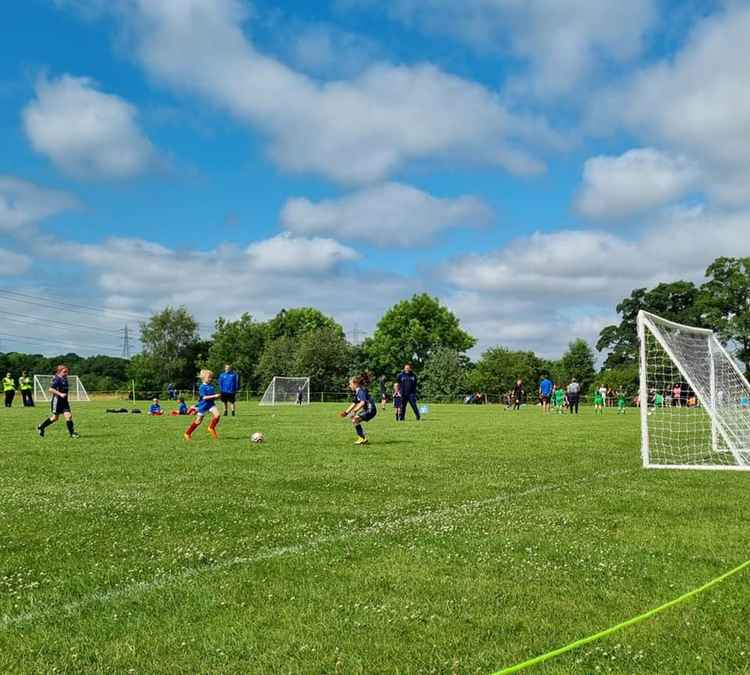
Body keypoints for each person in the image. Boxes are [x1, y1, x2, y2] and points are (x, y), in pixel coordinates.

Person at [36, 365, 79, 438]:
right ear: (59, 372)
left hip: (64, 402)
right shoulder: (57, 379)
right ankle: (41, 427)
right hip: (57, 402)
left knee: (69, 416)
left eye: (67, 372)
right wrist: (60, 394)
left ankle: (72, 434)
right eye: (64, 372)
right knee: (55, 418)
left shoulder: (65, 379)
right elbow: (50, 389)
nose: (66, 373)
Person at [339, 373, 377, 445]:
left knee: (355, 419)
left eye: (350, 384)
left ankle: (362, 438)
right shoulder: (358, 391)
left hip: (370, 409)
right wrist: (346, 412)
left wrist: (354, 411)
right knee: (354, 420)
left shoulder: (361, 391)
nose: (350, 386)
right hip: (368, 409)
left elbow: (362, 402)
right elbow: (354, 403)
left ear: (355, 384)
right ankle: (362, 439)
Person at [184, 369, 221, 440]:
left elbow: (212, 396)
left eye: (211, 377)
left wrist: (217, 396)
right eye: (209, 377)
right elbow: (204, 397)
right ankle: (187, 433)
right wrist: (214, 396)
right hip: (203, 406)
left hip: (210, 404)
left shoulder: (211, 386)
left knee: (217, 415)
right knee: (198, 421)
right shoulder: (202, 387)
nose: (210, 379)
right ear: (203, 378)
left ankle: (211, 427)